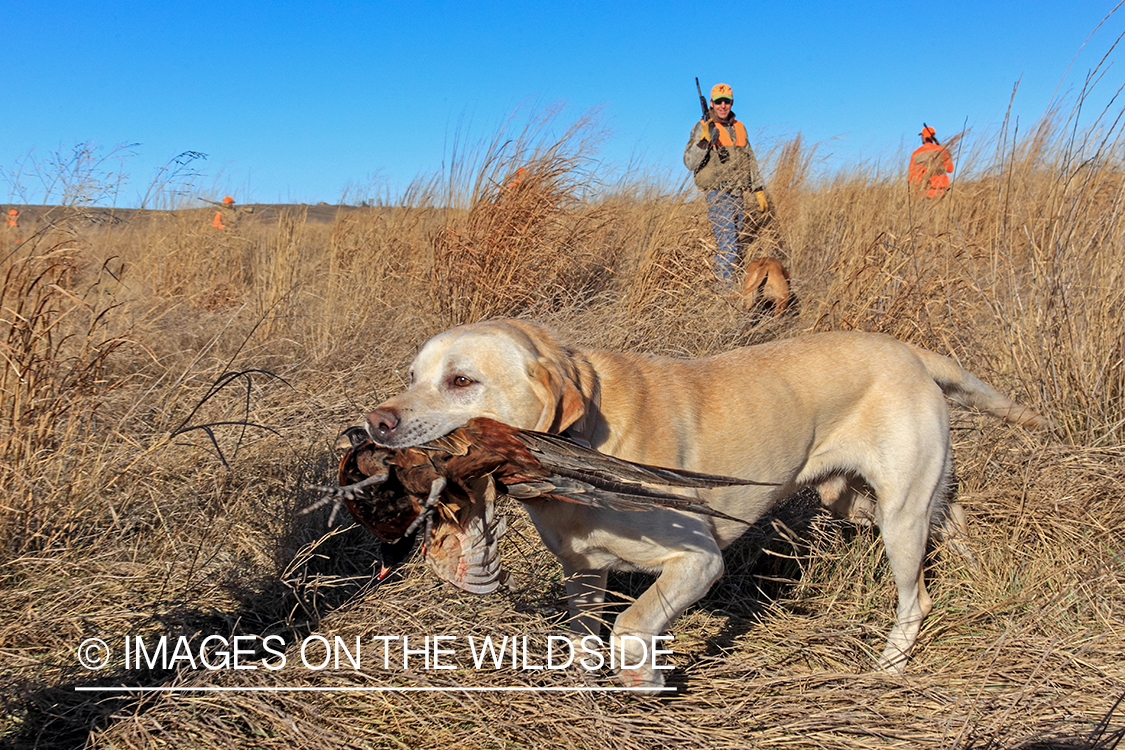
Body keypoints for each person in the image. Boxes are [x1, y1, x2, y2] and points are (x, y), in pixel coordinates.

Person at [684, 83, 768, 284]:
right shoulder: (701, 127)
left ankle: (727, 286)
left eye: (727, 101)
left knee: (735, 245)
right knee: (728, 246)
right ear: (711, 103)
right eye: (719, 101)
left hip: (738, 194)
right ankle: (724, 293)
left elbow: (749, 158)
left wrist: (758, 189)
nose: (723, 106)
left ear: (731, 103)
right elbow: (689, 162)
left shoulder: (739, 128)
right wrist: (703, 142)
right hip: (718, 194)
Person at [908, 125, 954, 198]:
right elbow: (950, 169)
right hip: (942, 190)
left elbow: (911, 176)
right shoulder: (941, 150)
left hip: (924, 192)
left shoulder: (916, 153)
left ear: (924, 137)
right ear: (934, 136)